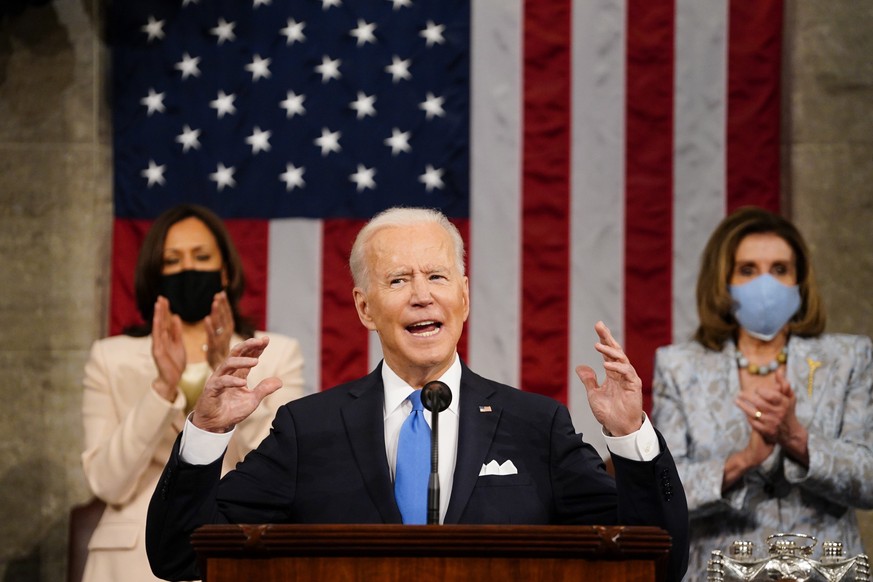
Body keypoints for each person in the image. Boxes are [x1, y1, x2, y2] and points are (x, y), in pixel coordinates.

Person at [146, 206, 689, 581]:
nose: (423, 297)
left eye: (437, 276)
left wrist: (630, 437)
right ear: (364, 308)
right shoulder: (308, 430)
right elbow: (178, 555)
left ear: (465, 296)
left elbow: (656, 560)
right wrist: (206, 434)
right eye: (399, 280)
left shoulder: (536, 426)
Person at [81, 204, 305, 582]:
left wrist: (231, 372)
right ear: (156, 273)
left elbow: (285, 469)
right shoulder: (109, 356)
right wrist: (161, 389)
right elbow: (106, 483)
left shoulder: (277, 353)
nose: (189, 268)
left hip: (240, 546)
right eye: (173, 260)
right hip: (130, 562)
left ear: (225, 270)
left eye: (201, 257)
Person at [652, 206, 873, 580]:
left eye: (780, 270)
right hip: (718, 572)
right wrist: (742, 461)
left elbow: (868, 480)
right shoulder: (679, 366)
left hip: (825, 571)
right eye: (748, 270)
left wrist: (798, 440)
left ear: (800, 281)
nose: (765, 285)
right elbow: (664, 495)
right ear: (722, 281)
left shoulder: (848, 358)